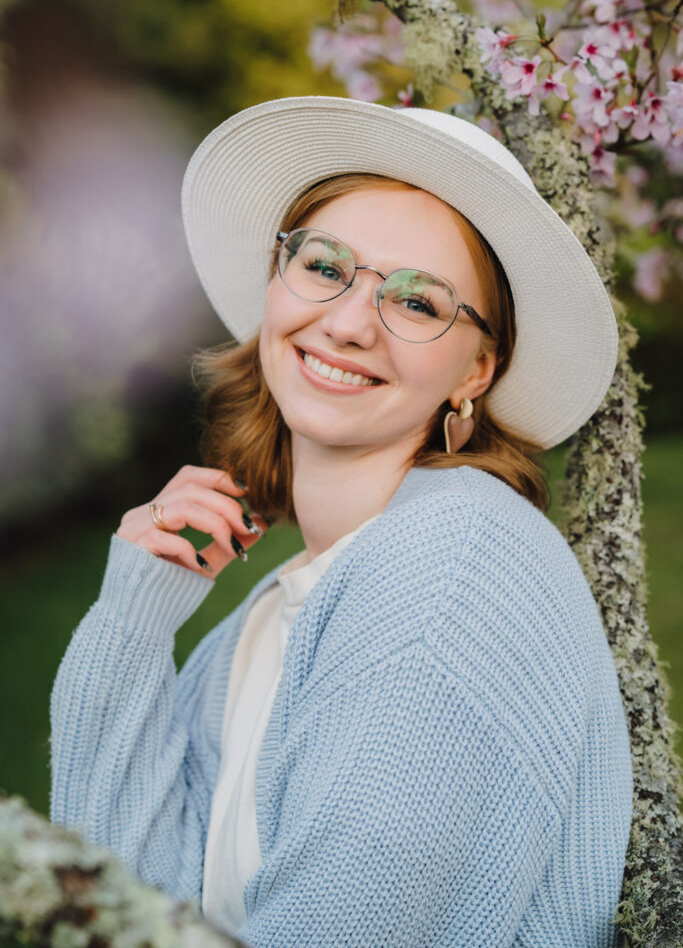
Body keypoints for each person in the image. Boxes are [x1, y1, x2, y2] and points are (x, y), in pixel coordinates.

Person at [50, 96, 633, 948]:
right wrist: (133, 625)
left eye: (418, 302)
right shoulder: (274, 616)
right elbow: (114, 901)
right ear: (275, 283)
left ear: (477, 368)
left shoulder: (455, 565)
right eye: (324, 267)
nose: (350, 322)